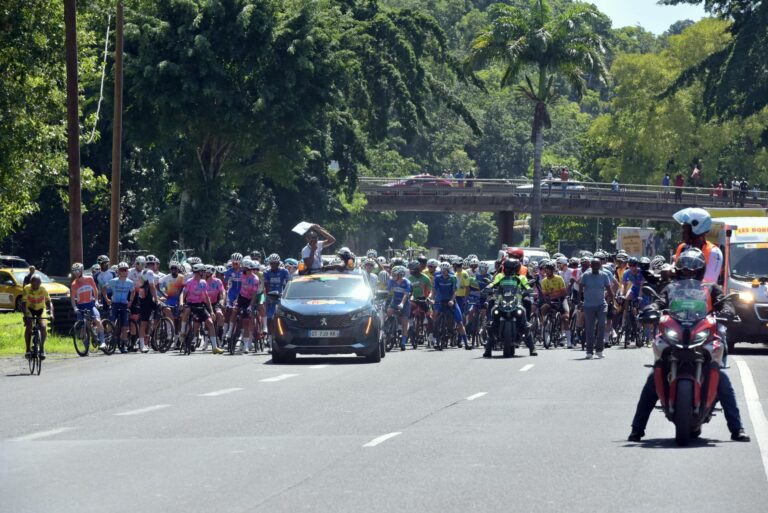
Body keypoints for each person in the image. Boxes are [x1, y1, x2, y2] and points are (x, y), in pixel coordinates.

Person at [627, 248, 750, 442]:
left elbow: (724, 303)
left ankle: (737, 428)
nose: (688, 273)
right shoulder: (670, 288)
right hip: (676, 333)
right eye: (684, 269)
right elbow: (660, 302)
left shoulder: (710, 288)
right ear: (678, 270)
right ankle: (637, 429)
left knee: (722, 379)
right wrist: (651, 308)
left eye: (692, 270)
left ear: (700, 271)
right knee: (654, 376)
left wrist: (727, 310)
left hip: (703, 335)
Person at [487, 258, 537, 357]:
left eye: (511, 268)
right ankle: (488, 348)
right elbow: (493, 283)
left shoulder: (521, 278)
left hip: (516, 302)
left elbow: (527, 286)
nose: (509, 270)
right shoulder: (500, 276)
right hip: (502, 302)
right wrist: (488, 288)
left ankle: (532, 347)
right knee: (492, 321)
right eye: (507, 268)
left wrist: (529, 290)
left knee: (525, 323)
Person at [579, 258, 614, 359]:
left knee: (602, 326)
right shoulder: (586, 275)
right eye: (593, 266)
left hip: (601, 305)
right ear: (591, 266)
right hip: (588, 305)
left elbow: (609, 289)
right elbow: (580, 287)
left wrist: (613, 302)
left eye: (597, 266)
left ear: (599, 266)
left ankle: (599, 350)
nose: (595, 268)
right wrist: (579, 302)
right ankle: (589, 351)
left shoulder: (604, 275)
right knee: (589, 329)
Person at [70, 263, 106, 351]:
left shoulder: (89, 279)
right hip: (81, 306)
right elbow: (72, 298)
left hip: (90, 304)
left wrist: (97, 301)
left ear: (82, 271)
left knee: (97, 320)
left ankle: (102, 341)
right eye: (74, 271)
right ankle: (86, 347)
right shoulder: (74, 284)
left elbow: (95, 290)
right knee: (83, 327)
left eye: (78, 271)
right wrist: (75, 307)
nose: (76, 273)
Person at [103, 262, 135, 353]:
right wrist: (106, 299)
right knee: (112, 321)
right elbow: (104, 288)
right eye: (122, 270)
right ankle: (108, 338)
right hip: (115, 304)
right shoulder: (113, 281)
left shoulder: (130, 282)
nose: (125, 271)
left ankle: (123, 346)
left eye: (126, 270)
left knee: (125, 326)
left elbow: (133, 292)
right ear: (119, 272)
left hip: (124, 304)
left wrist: (131, 301)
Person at [539, 260, 571, 347]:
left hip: (562, 300)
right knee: (543, 308)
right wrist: (555, 294)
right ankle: (545, 327)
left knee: (566, 318)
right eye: (546, 270)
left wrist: (552, 294)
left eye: (549, 270)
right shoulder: (544, 281)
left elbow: (564, 292)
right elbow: (544, 294)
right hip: (550, 301)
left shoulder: (559, 278)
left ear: (553, 270)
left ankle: (568, 341)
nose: (547, 272)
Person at [21, 274, 53, 359]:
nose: (35, 286)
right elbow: (23, 304)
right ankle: (28, 349)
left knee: (43, 326)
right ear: (30, 282)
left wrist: (52, 314)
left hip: (40, 309)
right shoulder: (26, 288)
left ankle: (42, 348)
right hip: (30, 308)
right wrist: (25, 315)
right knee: (29, 326)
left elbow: (49, 303)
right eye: (33, 284)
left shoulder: (43, 289)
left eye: (37, 284)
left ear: (40, 283)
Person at [386, 266, 412, 350]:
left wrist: (402, 304)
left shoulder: (407, 282)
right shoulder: (391, 281)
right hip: (395, 301)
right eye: (393, 274)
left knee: (404, 322)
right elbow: (388, 292)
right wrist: (385, 301)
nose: (393, 276)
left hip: (405, 303)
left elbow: (406, 295)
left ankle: (403, 341)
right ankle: (389, 328)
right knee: (389, 311)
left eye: (395, 274)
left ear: (400, 275)